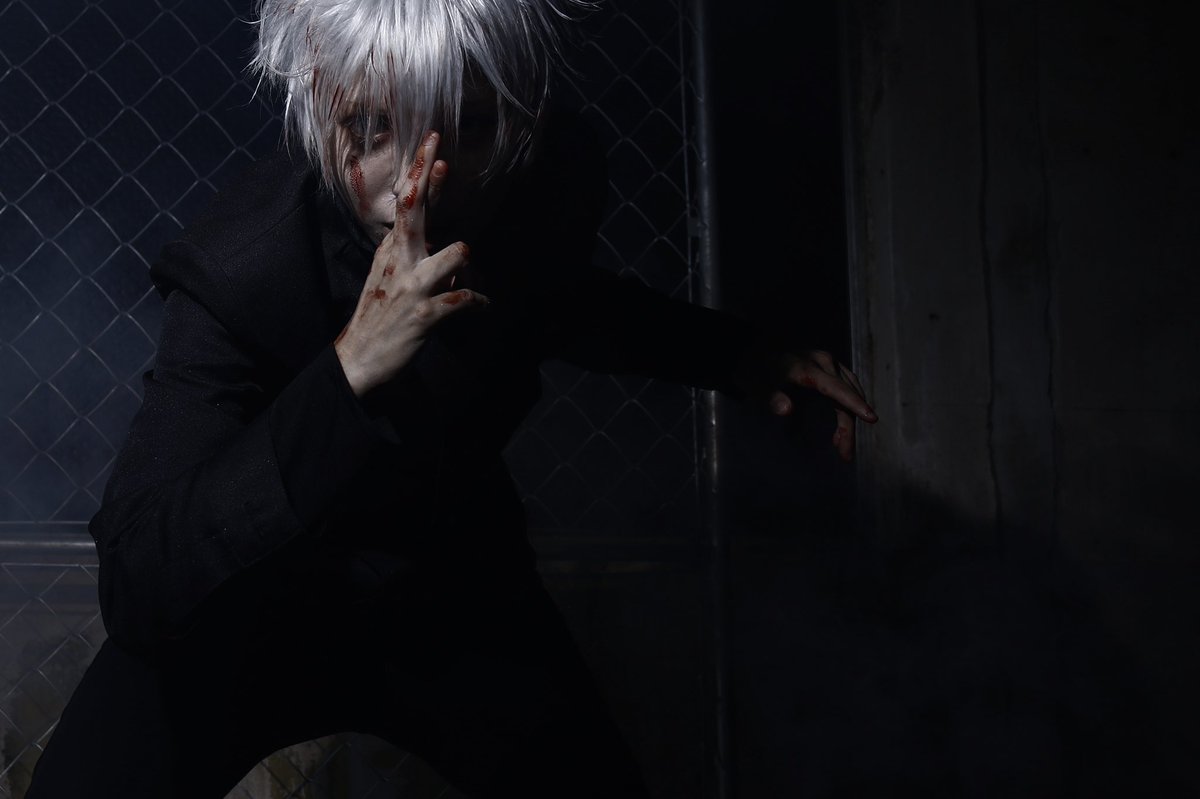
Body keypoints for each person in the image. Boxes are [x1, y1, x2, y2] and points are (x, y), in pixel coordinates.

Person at [25, 0, 877, 796]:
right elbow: (139, 579)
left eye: (465, 127)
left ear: (515, 116)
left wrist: (743, 356)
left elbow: (562, 300)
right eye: (372, 127)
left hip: (446, 587)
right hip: (250, 605)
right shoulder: (243, 271)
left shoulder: (536, 186)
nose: (414, 180)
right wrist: (347, 372)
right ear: (321, 103)